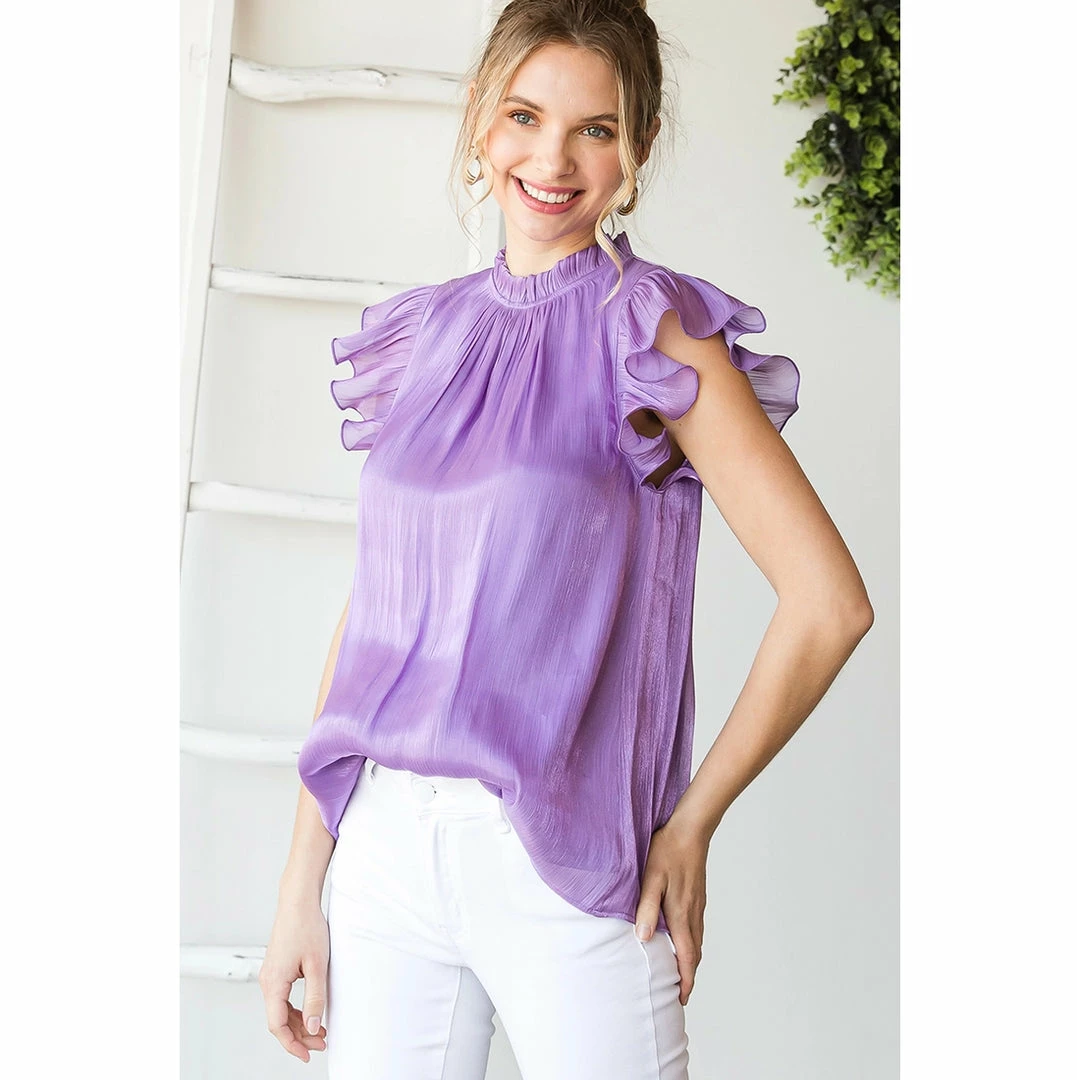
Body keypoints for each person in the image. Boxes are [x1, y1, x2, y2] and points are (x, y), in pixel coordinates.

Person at [258, 1, 874, 1076]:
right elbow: (377, 616)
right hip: (384, 851)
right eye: (524, 116)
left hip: (563, 866)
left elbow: (829, 603)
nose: (552, 160)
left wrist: (691, 824)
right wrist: (300, 883)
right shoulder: (429, 330)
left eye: (595, 128)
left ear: (637, 148)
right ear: (479, 120)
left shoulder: (654, 330)